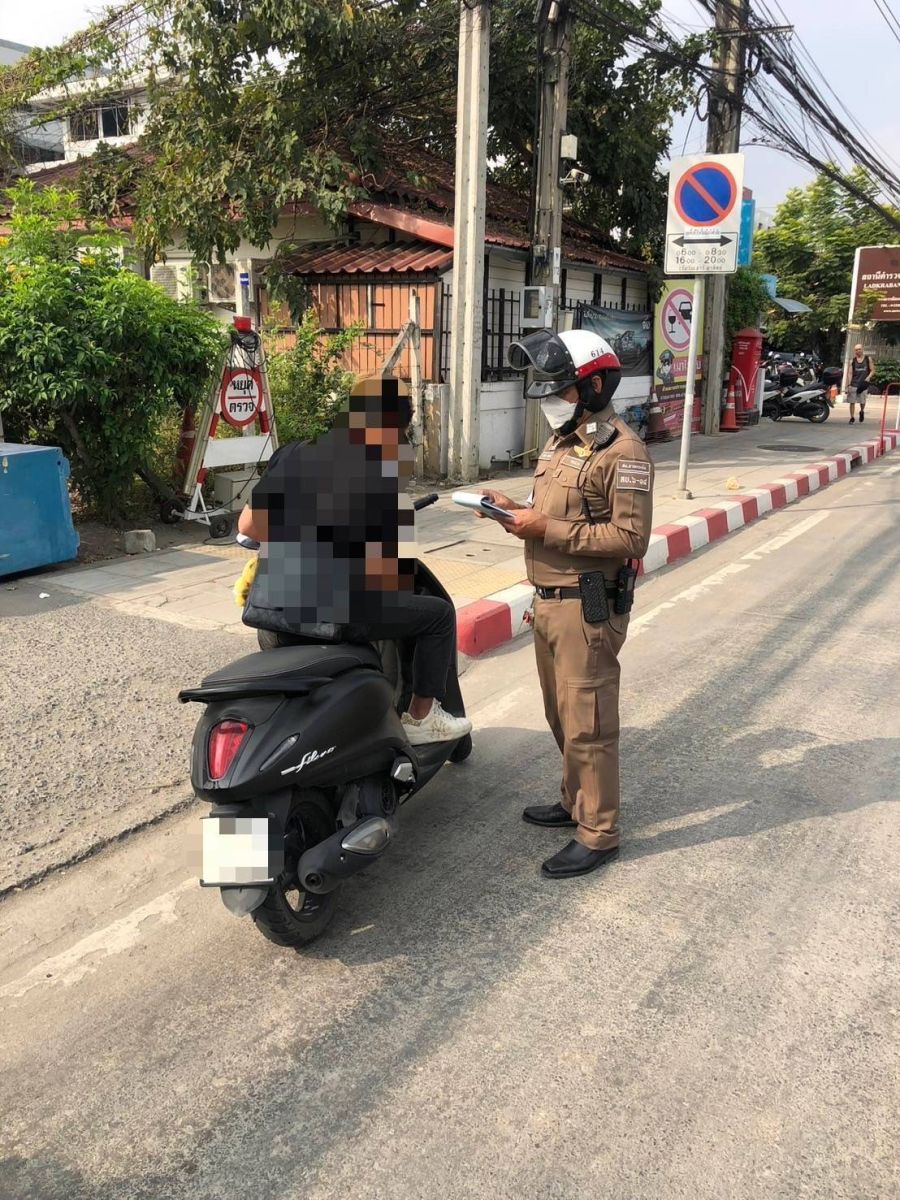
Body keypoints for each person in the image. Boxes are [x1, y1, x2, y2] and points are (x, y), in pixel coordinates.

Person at [476, 329, 653, 880]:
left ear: (596, 385)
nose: (552, 400)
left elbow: (630, 539)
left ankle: (599, 832)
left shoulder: (623, 451)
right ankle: (575, 800)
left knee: (588, 724)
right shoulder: (562, 442)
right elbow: (550, 512)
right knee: (561, 714)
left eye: (562, 389)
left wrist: (544, 528)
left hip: (587, 605)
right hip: (549, 602)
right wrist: (511, 509)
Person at [237, 375, 472, 746]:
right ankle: (421, 718)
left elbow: (248, 526)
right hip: (336, 614)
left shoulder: (295, 452)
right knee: (438, 616)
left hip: (272, 612)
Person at [846, 344, 875, 424]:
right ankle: (852, 417)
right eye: (856, 350)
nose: (858, 351)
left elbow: (872, 370)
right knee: (852, 401)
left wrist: (868, 377)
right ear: (854, 351)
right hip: (854, 384)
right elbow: (850, 373)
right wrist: (849, 384)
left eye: (859, 349)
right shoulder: (852, 361)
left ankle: (862, 411)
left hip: (863, 384)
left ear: (862, 349)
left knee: (862, 402)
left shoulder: (868, 359)